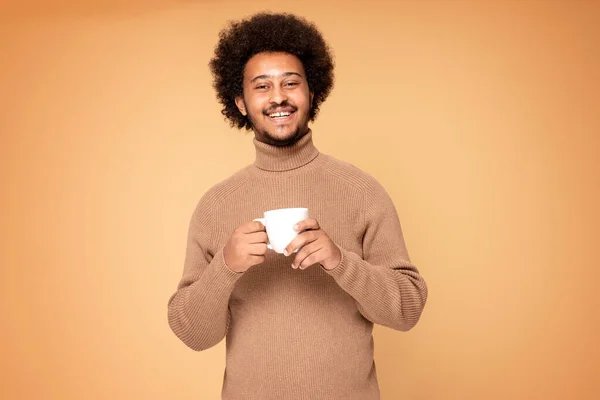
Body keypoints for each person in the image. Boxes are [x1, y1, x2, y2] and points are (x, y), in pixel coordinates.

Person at [167, 12, 428, 400]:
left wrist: (341, 261)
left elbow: (407, 310)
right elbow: (193, 333)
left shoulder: (361, 191)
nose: (278, 97)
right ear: (240, 102)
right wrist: (226, 266)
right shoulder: (216, 205)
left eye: (291, 82)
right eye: (262, 86)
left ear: (312, 92)